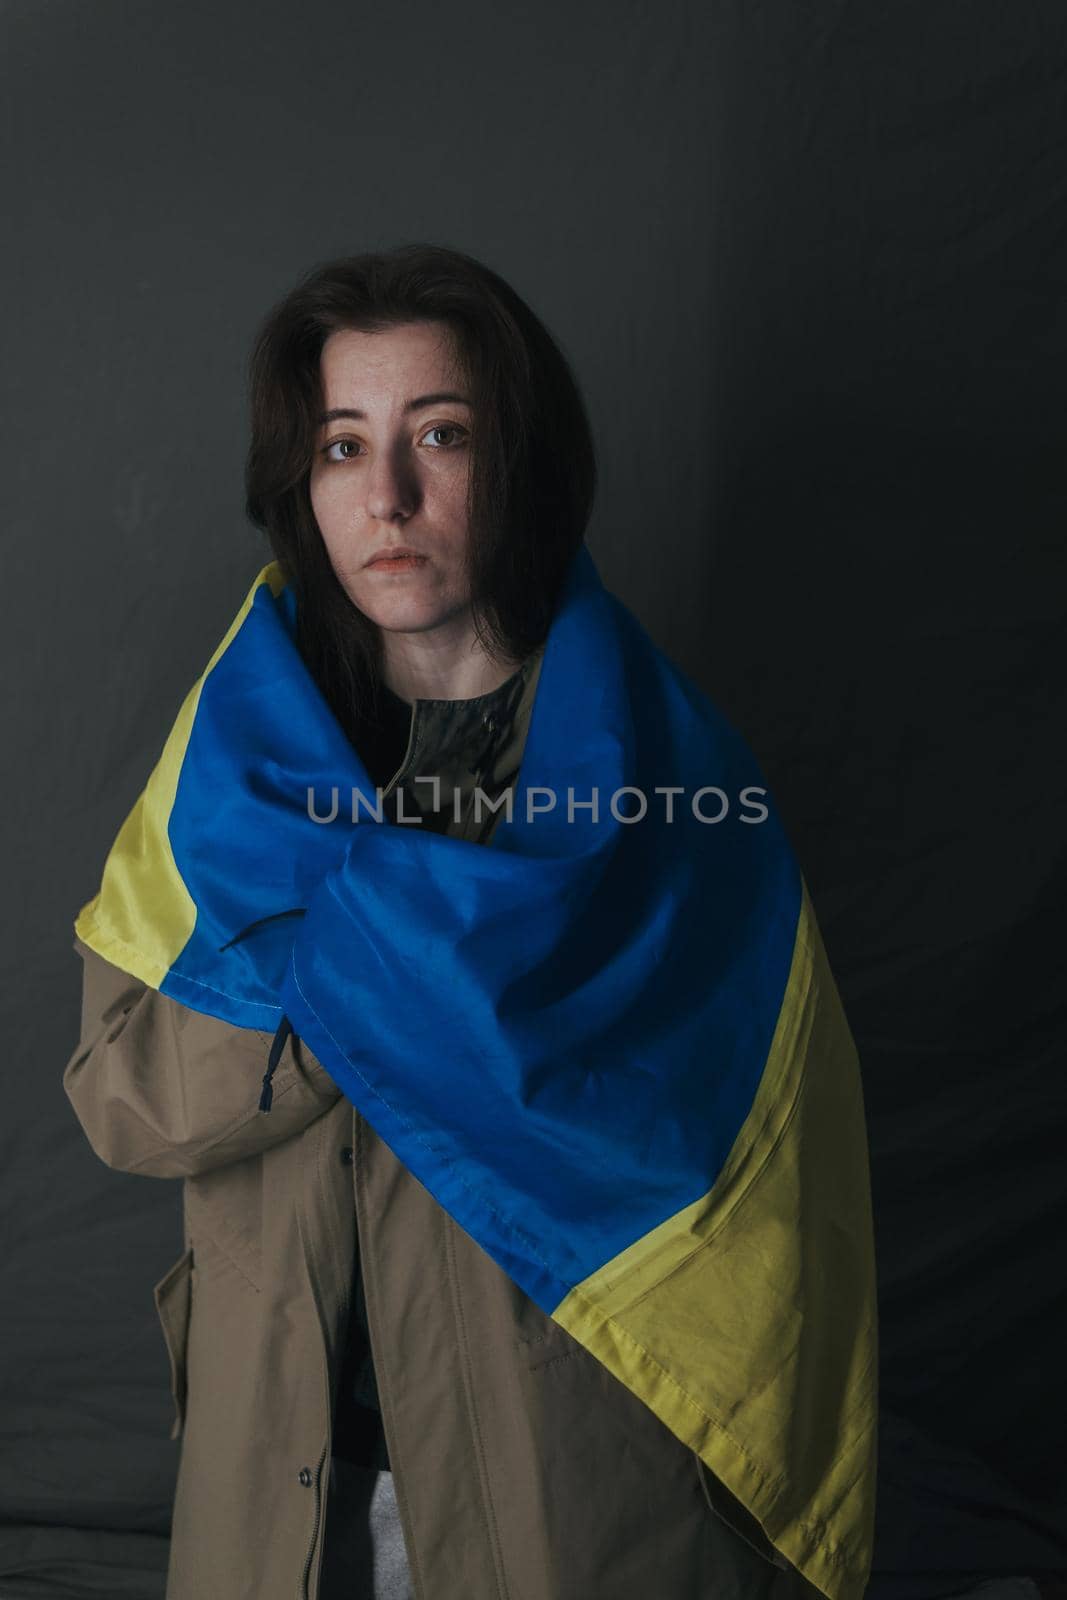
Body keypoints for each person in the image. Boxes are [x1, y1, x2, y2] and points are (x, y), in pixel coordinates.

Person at [63, 244, 878, 1600]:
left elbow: (761, 1203)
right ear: (301, 484)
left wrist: (352, 955)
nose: (387, 495)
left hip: (565, 1503)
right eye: (341, 444)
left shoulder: (670, 782)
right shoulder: (237, 774)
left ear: (519, 463)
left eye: (439, 434)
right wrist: (369, 978)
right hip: (277, 1504)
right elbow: (121, 1099)